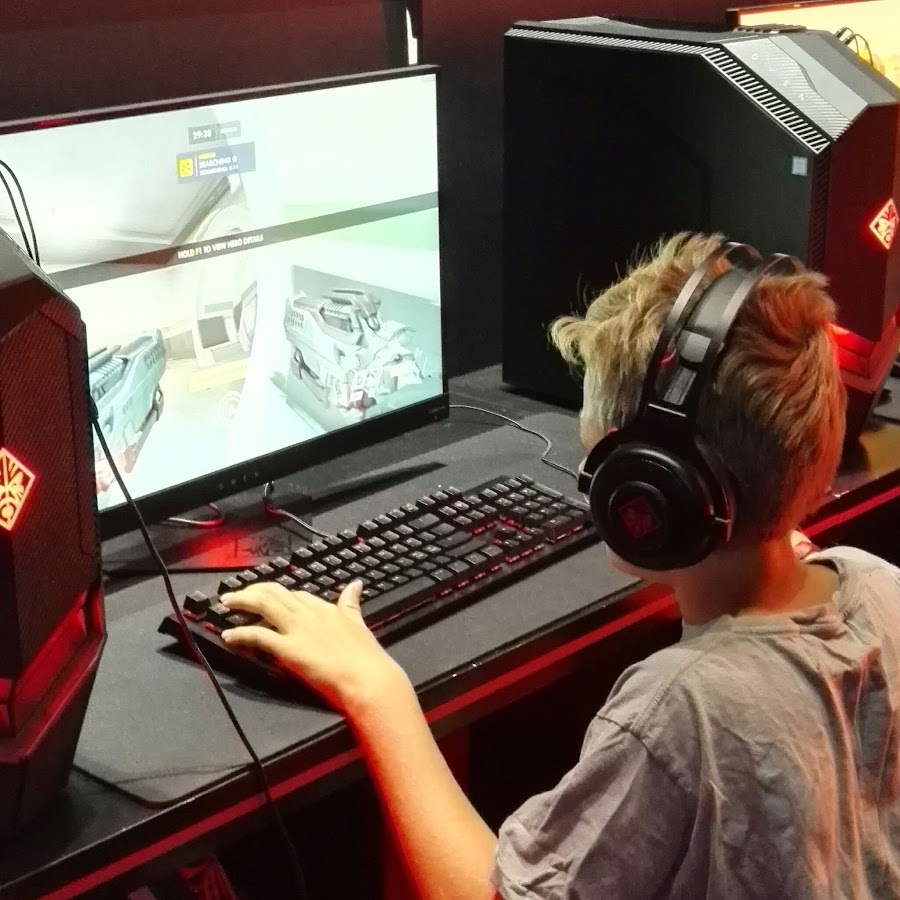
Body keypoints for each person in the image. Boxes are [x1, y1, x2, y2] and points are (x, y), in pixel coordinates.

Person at [221, 233, 900, 899]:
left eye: (600, 445)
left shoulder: (683, 709)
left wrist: (374, 690)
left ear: (648, 487)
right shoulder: (876, 583)